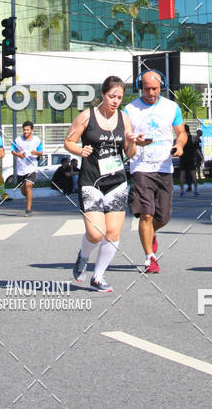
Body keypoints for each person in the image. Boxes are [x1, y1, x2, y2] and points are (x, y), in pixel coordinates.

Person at [64, 76, 137, 293]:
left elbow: (130, 153)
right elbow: (68, 141)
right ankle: (83, 256)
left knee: (113, 233)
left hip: (116, 182)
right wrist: (80, 150)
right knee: (96, 233)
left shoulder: (124, 118)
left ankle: (98, 276)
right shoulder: (87, 116)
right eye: (112, 96)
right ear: (103, 95)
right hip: (91, 181)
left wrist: (133, 142)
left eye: (119, 98)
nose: (115, 101)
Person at [125, 70, 186, 273]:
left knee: (164, 217)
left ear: (162, 87)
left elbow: (181, 133)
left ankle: (150, 233)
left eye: (155, 88)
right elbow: (126, 140)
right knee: (146, 215)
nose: (151, 93)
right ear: (139, 87)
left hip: (164, 167)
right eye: (146, 89)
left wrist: (179, 145)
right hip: (141, 167)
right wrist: (135, 142)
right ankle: (149, 258)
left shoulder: (172, 107)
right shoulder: (129, 110)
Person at [11, 121, 43, 215]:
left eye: (27, 130)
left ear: (31, 130)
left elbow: (41, 152)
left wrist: (35, 153)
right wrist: (19, 155)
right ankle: (28, 197)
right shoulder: (18, 140)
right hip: (21, 169)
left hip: (31, 168)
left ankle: (28, 210)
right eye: (24, 130)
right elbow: (12, 150)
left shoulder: (36, 140)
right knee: (23, 190)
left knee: (28, 185)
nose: (26, 131)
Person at [179, 124, 198, 195]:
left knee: (182, 174)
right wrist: (201, 156)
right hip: (191, 158)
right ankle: (195, 190)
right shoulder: (192, 138)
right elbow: (196, 149)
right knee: (193, 175)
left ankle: (182, 190)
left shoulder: (180, 138)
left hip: (183, 158)